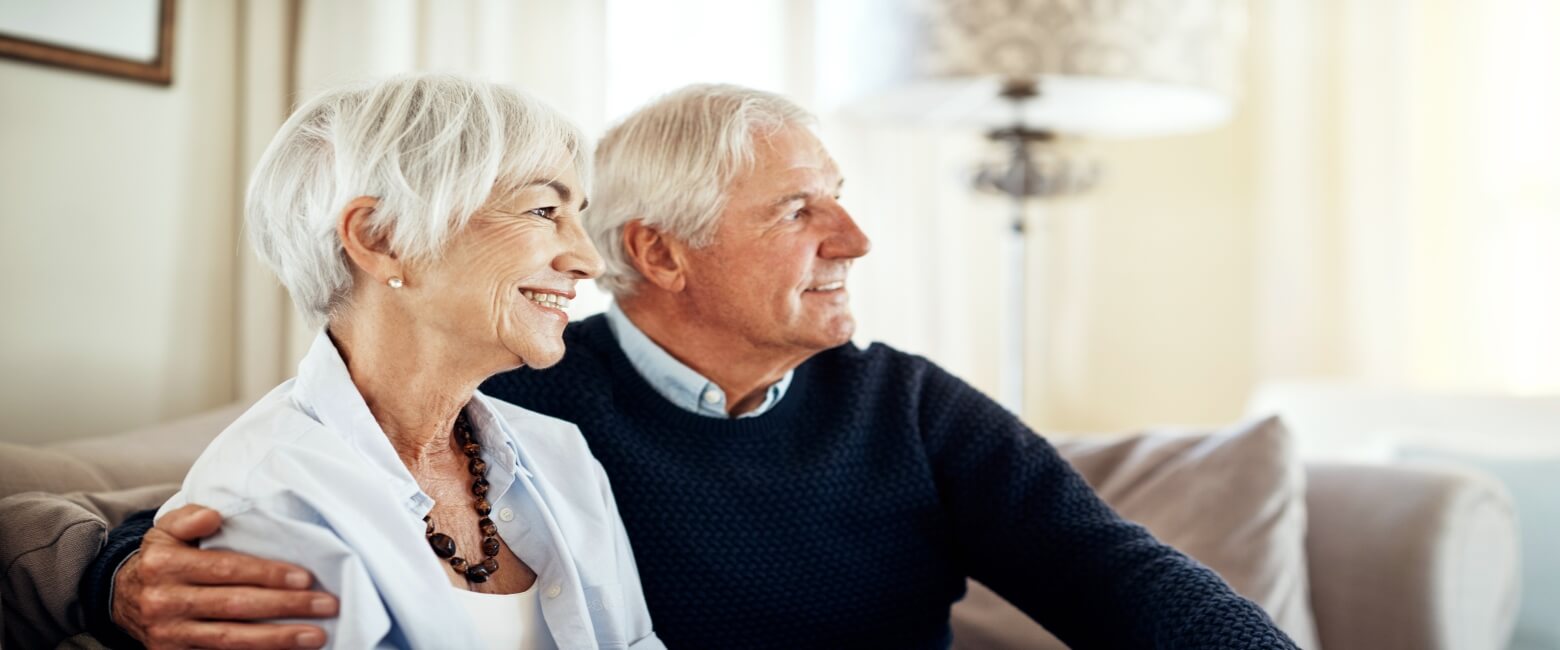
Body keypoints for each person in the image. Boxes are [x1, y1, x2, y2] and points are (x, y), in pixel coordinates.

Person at [37, 84, 1293, 649]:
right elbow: (312, 481)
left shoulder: (899, 402)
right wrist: (118, 572)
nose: (854, 240)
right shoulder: (521, 383)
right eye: (801, 210)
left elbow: (1114, 571)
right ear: (665, 252)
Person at [83, 73, 662, 649]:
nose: (589, 260)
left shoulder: (562, 455)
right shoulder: (267, 502)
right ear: (381, 238)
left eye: (578, 214)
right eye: (542, 210)